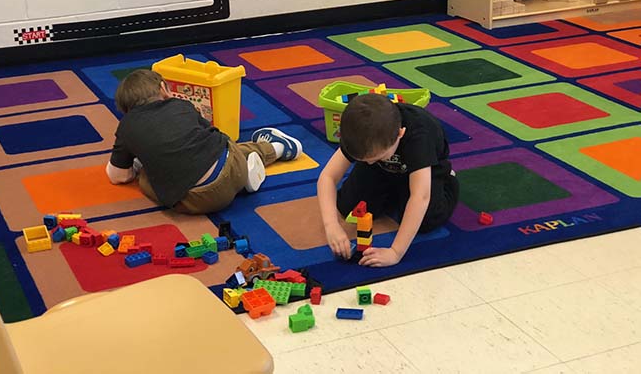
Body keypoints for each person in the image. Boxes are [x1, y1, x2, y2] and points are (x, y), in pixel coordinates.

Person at [106, 69, 303, 214]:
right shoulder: (181, 105)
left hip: (196, 202)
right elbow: (211, 134)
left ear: (125, 109)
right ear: (163, 89)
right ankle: (277, 148)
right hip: (233, 167)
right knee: (221, 147)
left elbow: (119, 176)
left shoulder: (127, 126)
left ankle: (243, 183)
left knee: (147, 177)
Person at [316, 93, 459, 267]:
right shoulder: (361, 135)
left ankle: (449, 182)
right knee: (348, 207)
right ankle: (394, 189)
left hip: (424, 168)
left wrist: (395, 252)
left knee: (427, 220)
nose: (368, 161)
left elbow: (420, 196)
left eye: (376, 156)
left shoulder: (418, 137)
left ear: (400, 134)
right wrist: (331, 225)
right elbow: (327, 177)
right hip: (383, 169)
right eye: (364, 159)